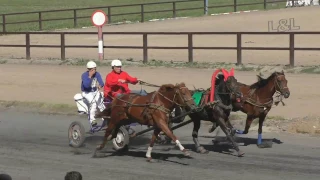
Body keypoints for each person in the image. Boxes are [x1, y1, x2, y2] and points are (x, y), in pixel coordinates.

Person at [103, 59, 147, 135]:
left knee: (143, 92)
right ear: (113, 67)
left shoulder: (124, 73)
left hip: (127, 93)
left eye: (120, 67)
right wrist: (118, 81)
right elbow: (109, 83)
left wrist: (136, 80)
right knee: (123, 98)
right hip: (116, 95)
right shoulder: (109, 76)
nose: (119, 68)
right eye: (117, 67)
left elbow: (131, 79)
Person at [81, 60, 105, 126]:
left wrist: (100, 85)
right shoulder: (84, 75)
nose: (94, 71)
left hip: (95, 91)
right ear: (89, 70)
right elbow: (86, 86)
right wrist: (90, 77)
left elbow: (102, 82)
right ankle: (92, 119)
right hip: (86, 92)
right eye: (93, 70)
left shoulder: (97, 74)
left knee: (100, 103)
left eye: (95, 69)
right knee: (93, 103)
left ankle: (105, 118)